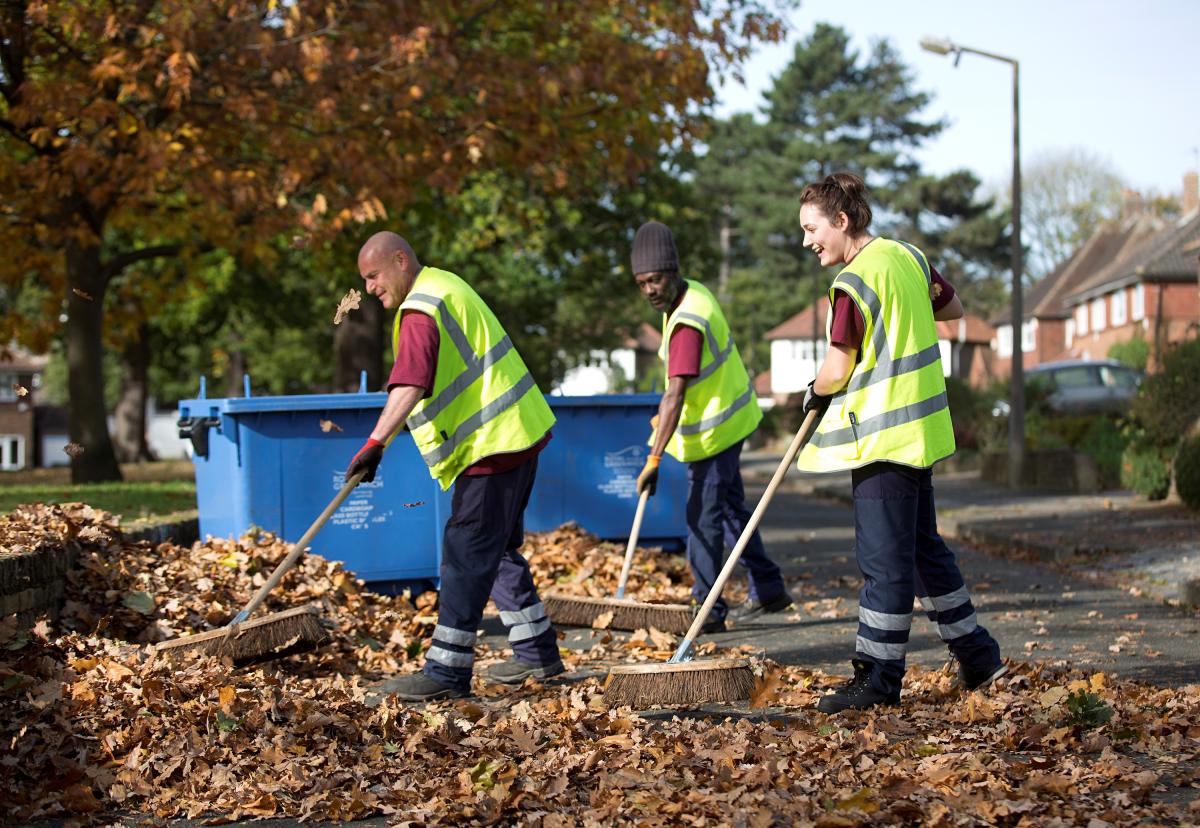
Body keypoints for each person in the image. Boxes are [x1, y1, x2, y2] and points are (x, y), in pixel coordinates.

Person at [794, 172, 1006, 714]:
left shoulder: (852, 284)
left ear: (842, 222)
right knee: (921, 552)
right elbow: (953, 309)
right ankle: (978, 656)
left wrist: (812, 393)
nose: (807, 241)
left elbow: (837, 368)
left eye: (812, 229)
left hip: (884, 440)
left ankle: (878, 679)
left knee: (884, 563)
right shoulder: (907, 258)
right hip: (920, 432)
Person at [346, 231, 563, 701]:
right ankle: (538, 654)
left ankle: (445, 672)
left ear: (400, 261)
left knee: (465, 554)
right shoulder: (445, 285)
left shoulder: (422, 308)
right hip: (516, 433)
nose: (368, 289)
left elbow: (410, 381)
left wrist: (375, 442)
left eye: (373, 276)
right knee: (498, 549)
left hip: (492, 445)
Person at [631, 221, 793, 631]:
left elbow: (675, 394)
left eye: (656, 279)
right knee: (730, 511)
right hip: (727, 421)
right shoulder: (692, 293)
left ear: (673, 271)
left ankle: (708, 611)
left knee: (701, 515)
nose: (649, 289)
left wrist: (653, 457)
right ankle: (769, 587)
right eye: (641, 283)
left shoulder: (687, 323)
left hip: (715, 433)